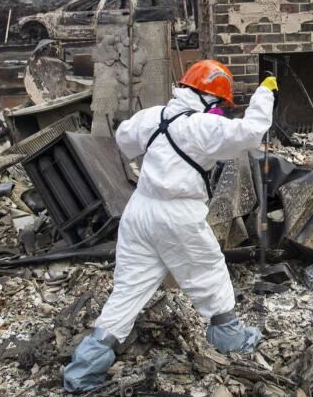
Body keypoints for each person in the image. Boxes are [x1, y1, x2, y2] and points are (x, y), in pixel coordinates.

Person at [64, 60, 277, 392]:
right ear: (211, 99)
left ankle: (84, 369)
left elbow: (124, 140)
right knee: (209, 275)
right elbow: (251, 134)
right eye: (220, 104)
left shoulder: (153, 116)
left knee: (129, 289)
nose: (221, 110)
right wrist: (264, 94)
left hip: (139, 212)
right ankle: (232, 341)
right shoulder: (203, 126)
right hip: (178, 214)